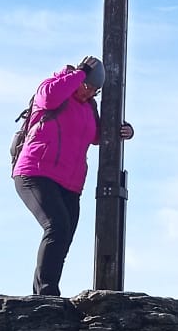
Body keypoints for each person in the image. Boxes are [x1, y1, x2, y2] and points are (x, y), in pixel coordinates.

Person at [12, 56, 133, 297]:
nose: (90, 93)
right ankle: (45, 294)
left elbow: (97, 135)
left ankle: (46, 292)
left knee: (64, 236)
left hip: (69, 184)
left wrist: (124, 130)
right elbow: (49, 98)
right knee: (56, 226)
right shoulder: (53, 88)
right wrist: (79, 74)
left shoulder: (88, 107)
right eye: (88, 86)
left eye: (95, 90)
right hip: (36, 172)